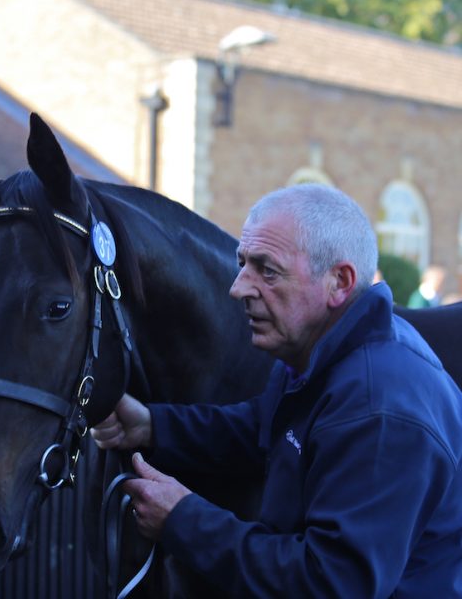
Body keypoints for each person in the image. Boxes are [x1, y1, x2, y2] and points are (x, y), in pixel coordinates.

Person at [91, 183, 462, 598]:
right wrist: (153, 426)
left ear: (339, 282)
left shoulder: (379, 408)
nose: (239, 288)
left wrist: (183, 520)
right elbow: (262, 427)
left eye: (267, 270)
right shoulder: (328, 353)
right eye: (243, 263)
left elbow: (329, 584)